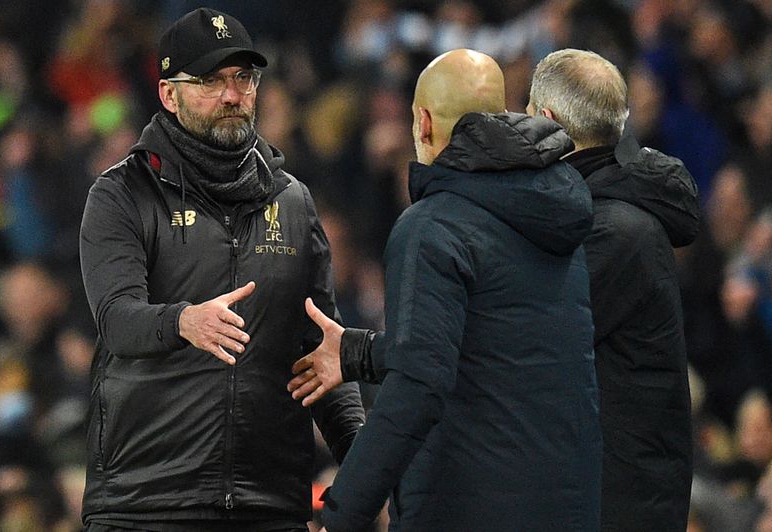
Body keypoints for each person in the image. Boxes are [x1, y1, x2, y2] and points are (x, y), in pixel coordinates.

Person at [78, 7, 365, 531]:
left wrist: (368, 473)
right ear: (169, 95)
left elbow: (321, 348)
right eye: (211, 80)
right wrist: (184, 322)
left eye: (244, 79)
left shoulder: (294, 203)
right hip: (147, 504)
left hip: (269, 503)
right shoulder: (122, 194)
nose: (233, 96)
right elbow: (117, 319)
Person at [296, 48, 603, 531]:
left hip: (468, 510)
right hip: (569, 507)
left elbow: (418, 387)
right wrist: (358, 352)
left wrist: (340, 515)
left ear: (422, 122)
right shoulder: (557, 214)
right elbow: (491, 349)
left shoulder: (432, 226)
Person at [526, 49, 700, 531]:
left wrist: (365, 353)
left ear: (547, 120)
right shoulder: (602, 216)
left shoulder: (617, 233)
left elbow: (520, 341)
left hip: (619, 505)